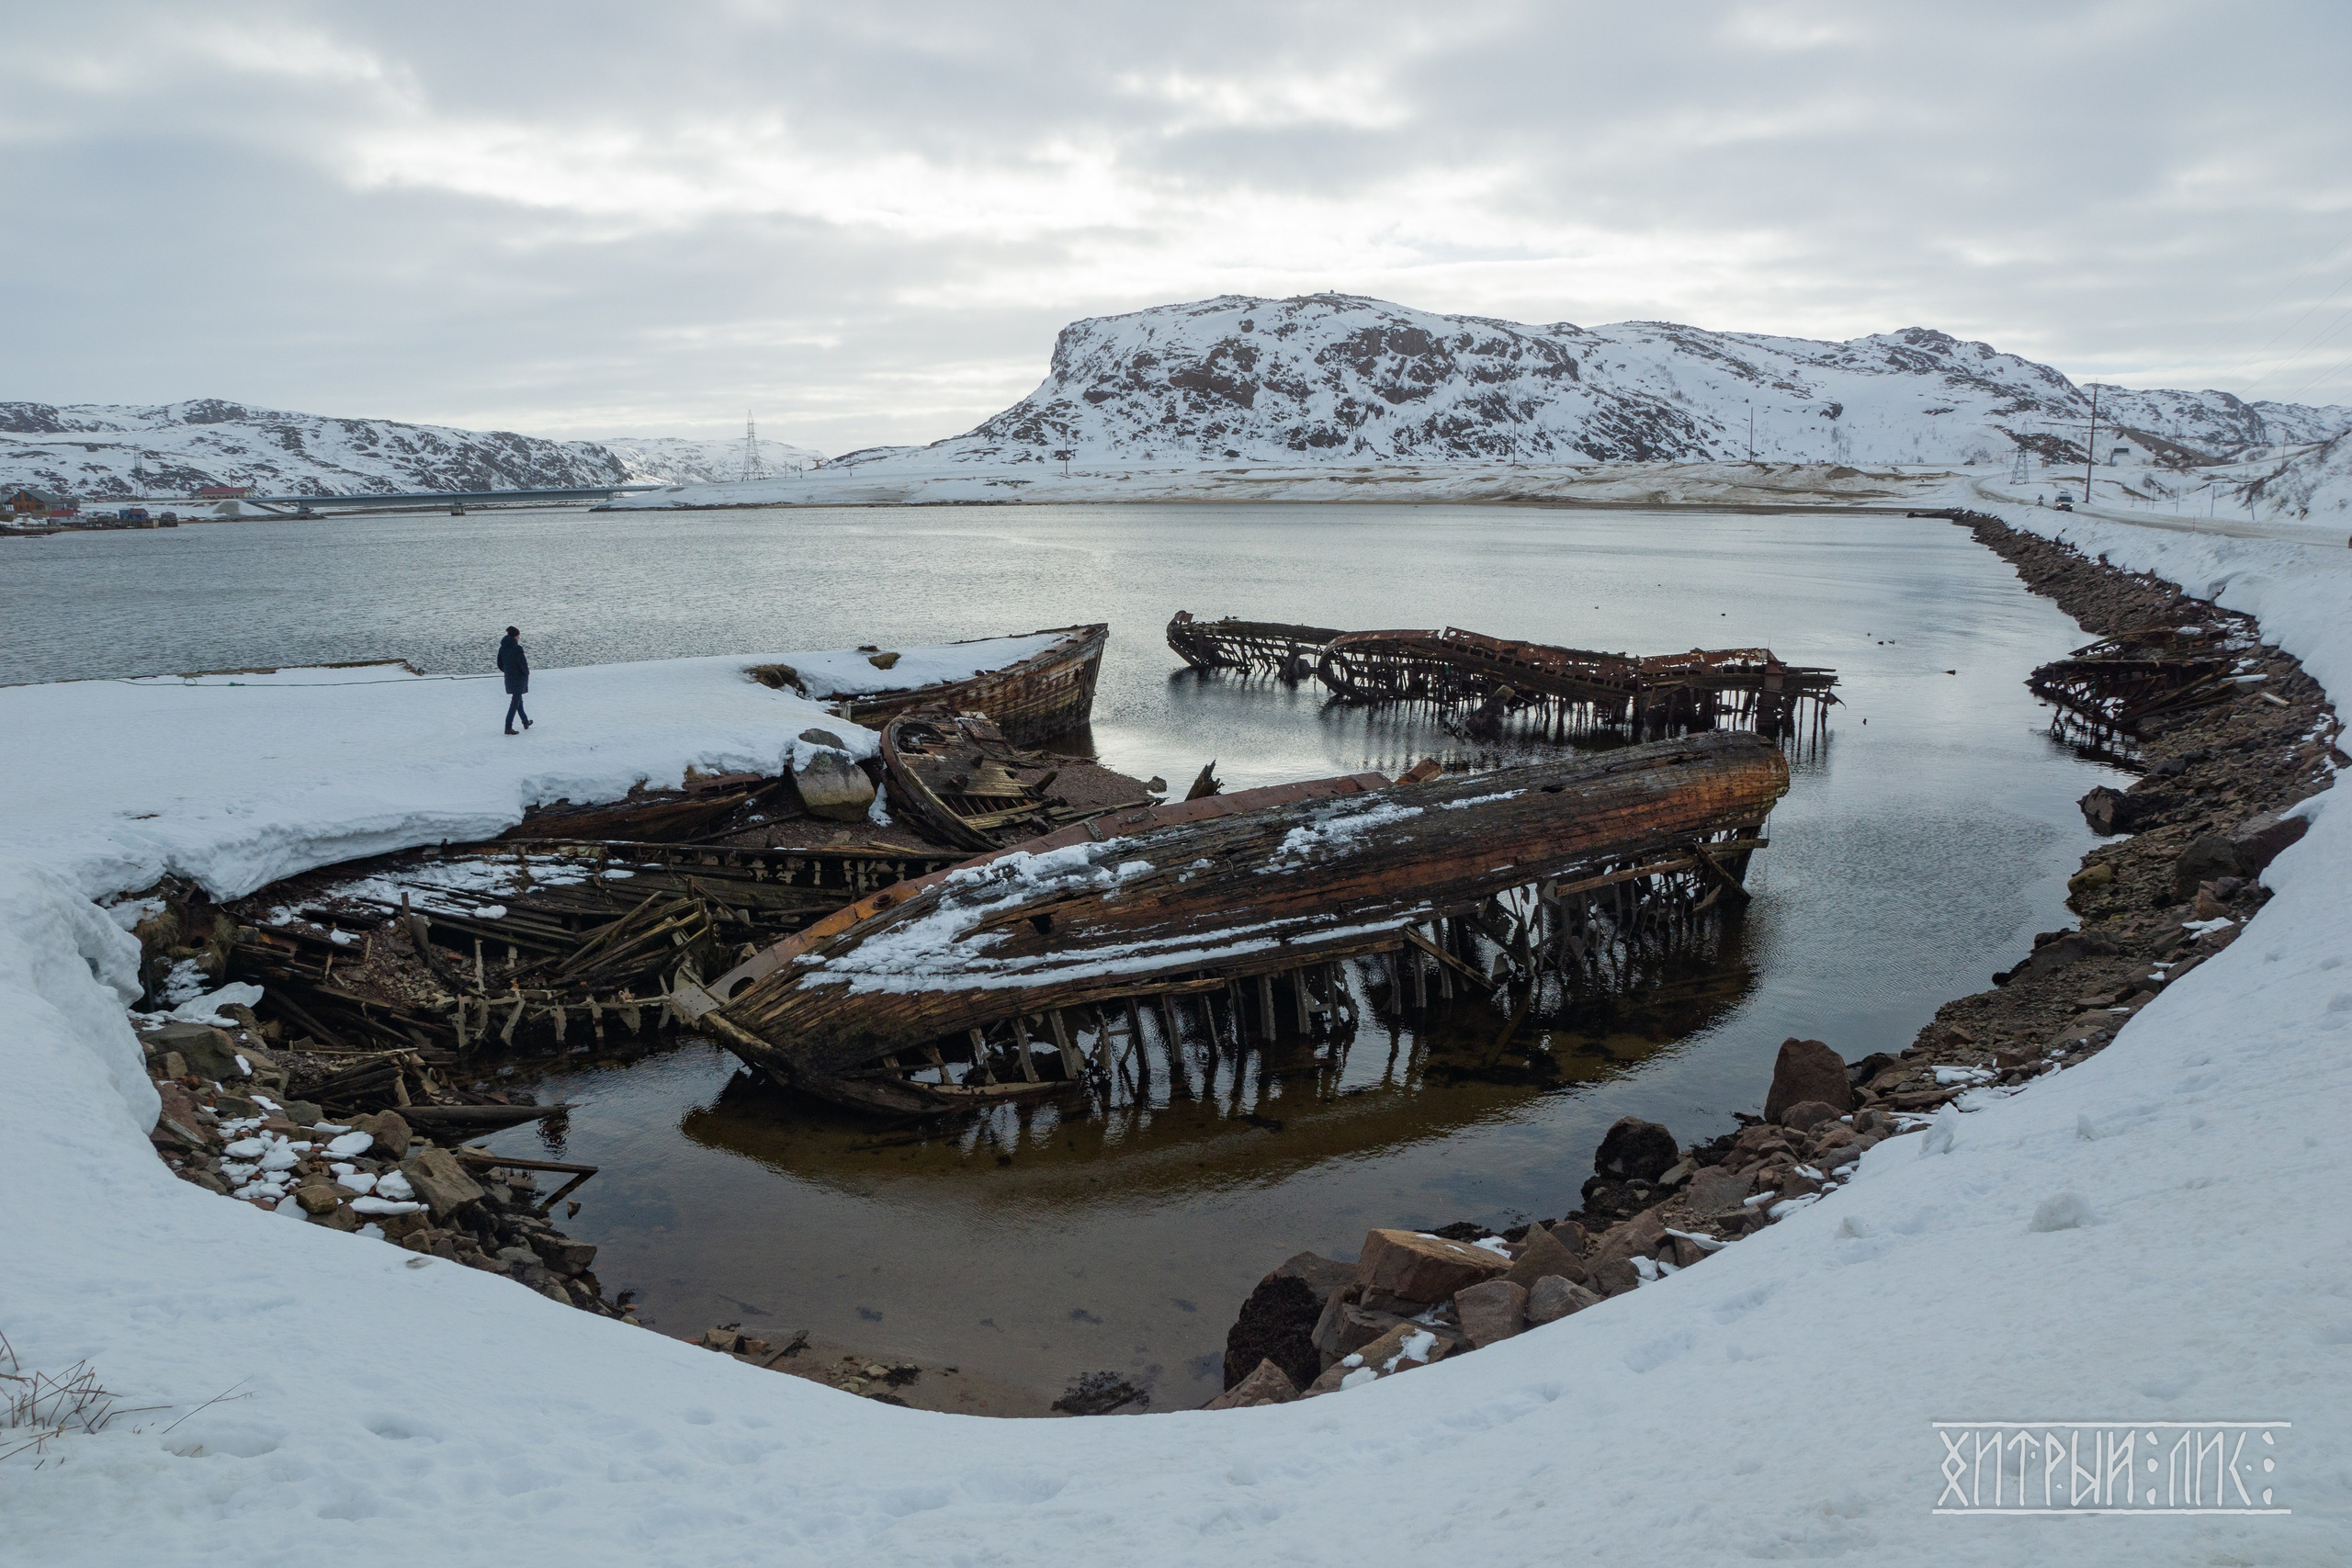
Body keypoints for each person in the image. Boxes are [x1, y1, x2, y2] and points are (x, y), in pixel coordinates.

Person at [497, 626, 532, 734]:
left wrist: (508, 671)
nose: (519, 638)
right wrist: (526, 673)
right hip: (519, 677)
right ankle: (508, 727)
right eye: (518, 636)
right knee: (515, 702)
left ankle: (525, 721)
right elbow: (522, 663)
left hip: (509, 677)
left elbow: (500, 664)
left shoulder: (502, 648)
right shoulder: (517, 648)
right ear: (515, 636)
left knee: (518, 699)